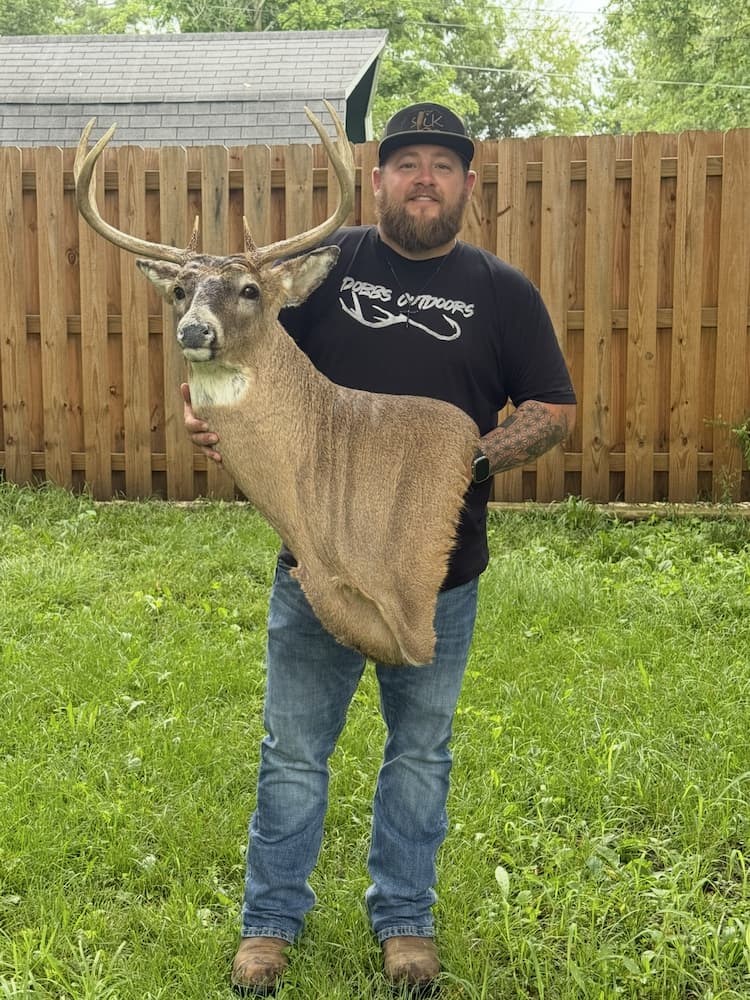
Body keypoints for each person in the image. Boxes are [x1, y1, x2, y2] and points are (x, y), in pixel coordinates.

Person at [184, 101, 577, 996]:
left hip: (437, 569)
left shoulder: (502, 290)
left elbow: (552, 410)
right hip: (314, 557)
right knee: (293, 750)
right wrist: (199, 404)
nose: (424, 179)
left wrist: (456, 462)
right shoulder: (322, 268)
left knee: (421, 752)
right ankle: (269, 924)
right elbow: (233, 336)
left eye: (442, 165)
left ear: (469, 184)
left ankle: (405, 920)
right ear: (380, 179)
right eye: (407, 164)